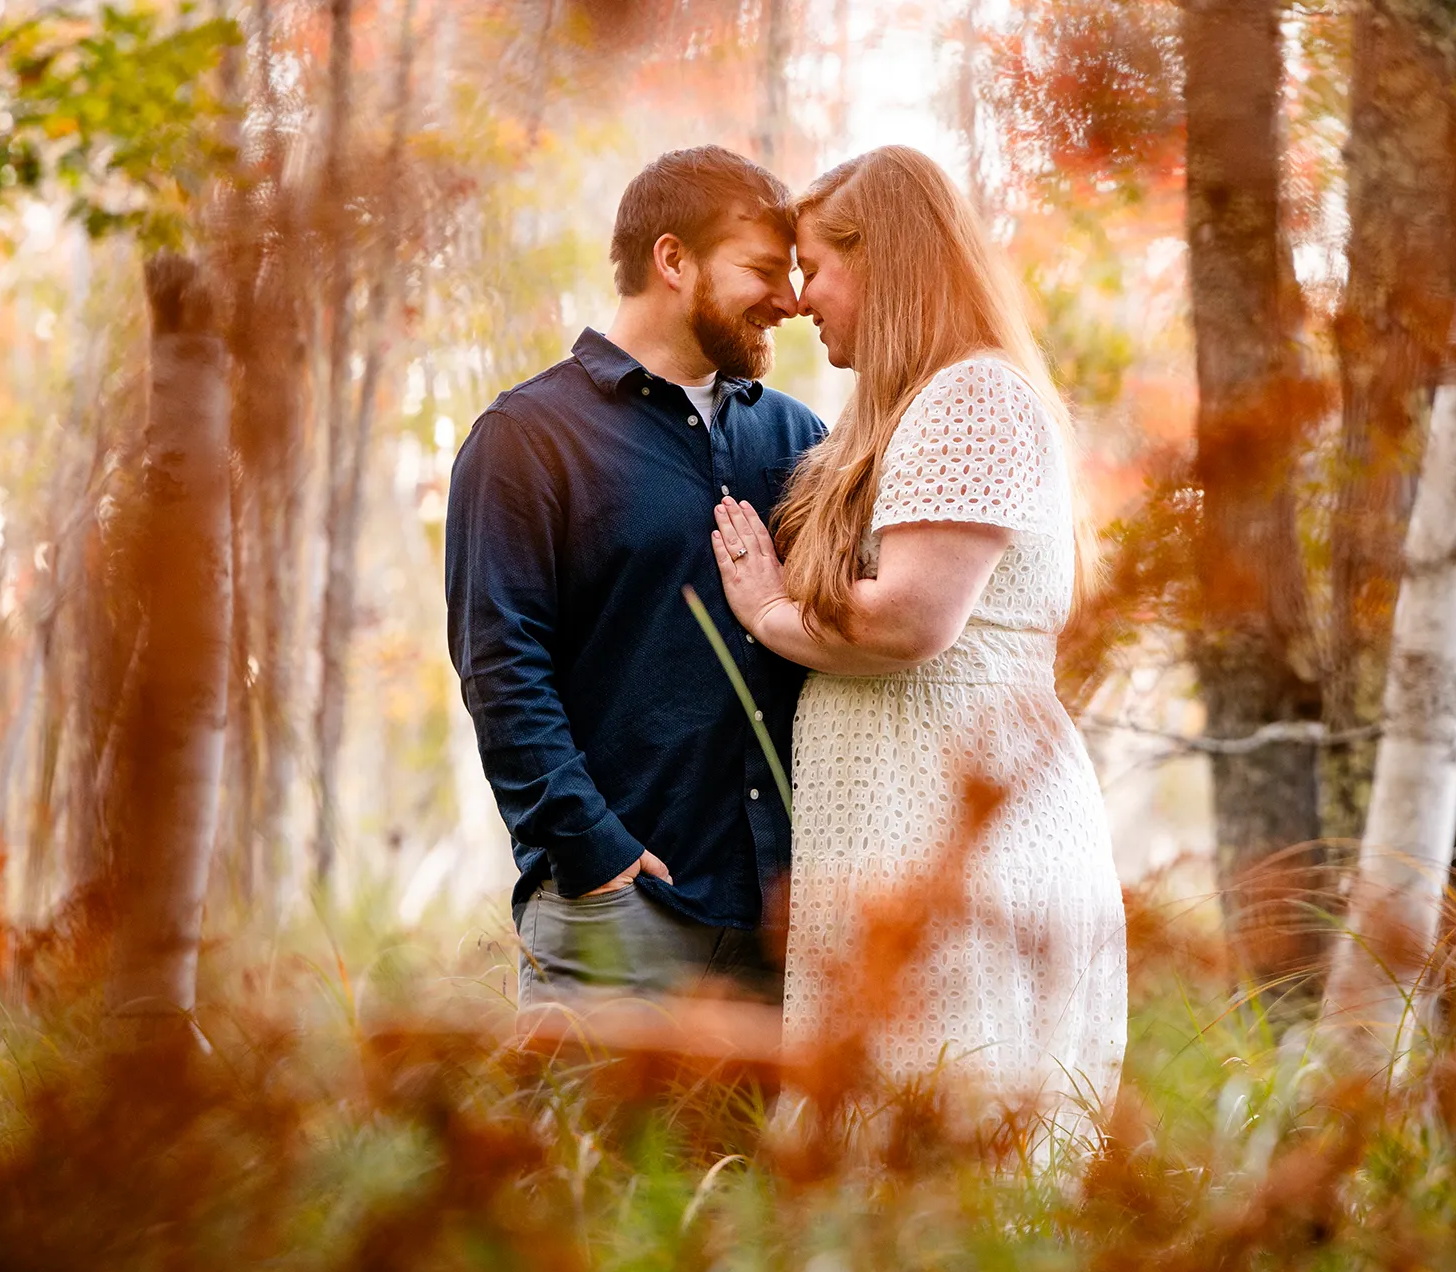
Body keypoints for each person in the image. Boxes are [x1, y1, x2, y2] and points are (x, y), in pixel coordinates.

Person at [709, 146, 1128, 1120]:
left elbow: (908, 618)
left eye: (816, 266)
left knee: (951, 1121)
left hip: (959, 823)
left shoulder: (972, 394)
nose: (803, 297)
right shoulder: (903, 412)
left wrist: (770, 609)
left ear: (886, 259)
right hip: (894, 825)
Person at [445, 146, 823, 1008]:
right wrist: (592, 852)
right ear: (672, 259)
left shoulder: (800, 438)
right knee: (587, 1150)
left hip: (783, 937)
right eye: (762, 271)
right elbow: (502, 669)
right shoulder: (526, 438)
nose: (790, 301)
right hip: (619, 924)